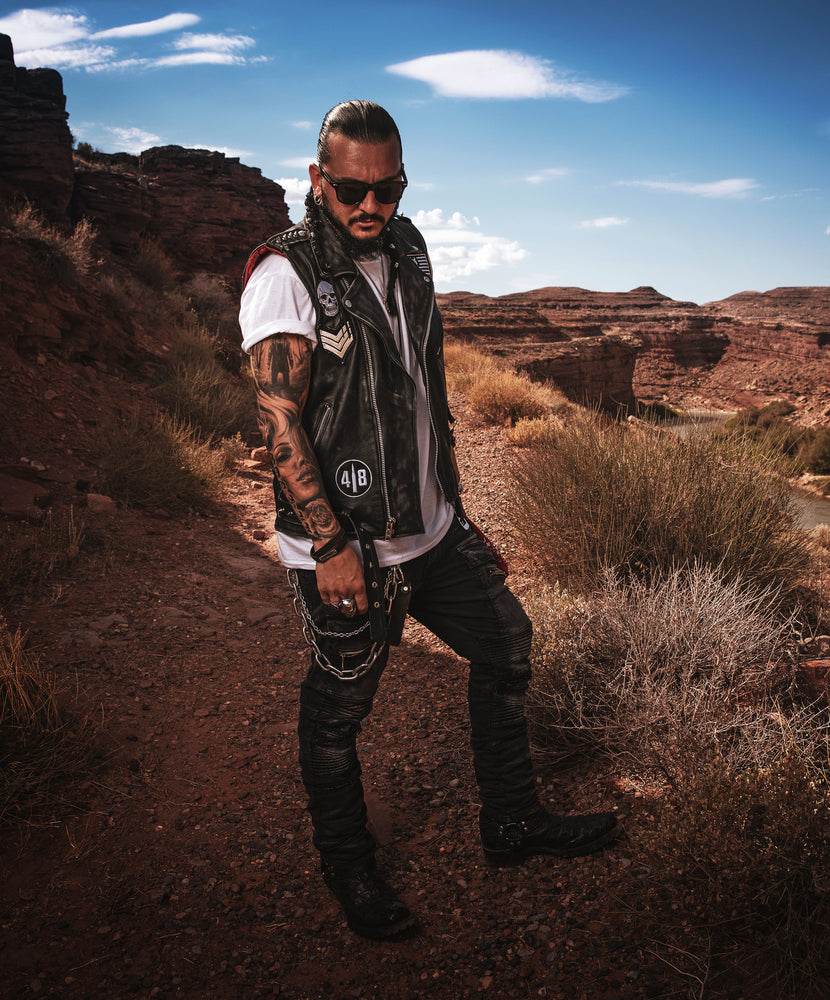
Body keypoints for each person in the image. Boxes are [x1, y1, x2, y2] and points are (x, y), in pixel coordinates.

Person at [239, 100, 621, 940]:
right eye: (350, 190)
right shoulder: (287, 273)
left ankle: (512, 823)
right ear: (316, 181)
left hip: (431, 527)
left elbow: (421, 394)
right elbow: (278, 422)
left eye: (389, 188)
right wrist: (332, 545)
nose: (371, 206)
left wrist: (457, 511)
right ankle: (349, 866)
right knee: (341, 708)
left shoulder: (408, 250)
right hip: (348, 546)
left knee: (508, 645)